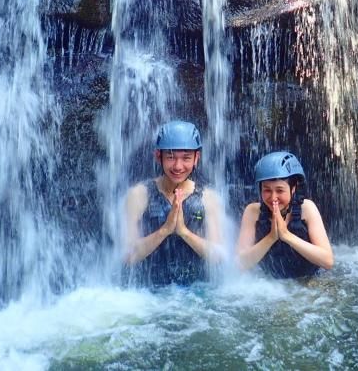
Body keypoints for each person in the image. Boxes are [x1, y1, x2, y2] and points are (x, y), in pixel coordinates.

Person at [122, 120, 222, 286]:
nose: (178, 166)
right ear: (158, 156)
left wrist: (183, 232)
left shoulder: (208, 198)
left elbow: (218, 258)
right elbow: (128, 257)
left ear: (196, 158)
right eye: (170, 157)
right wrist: (165, 230)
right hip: (148, 293)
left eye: (186, 158)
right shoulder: (139, 195)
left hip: (198, 294)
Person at [237, 151, 334, 278]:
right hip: (271, 286)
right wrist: (271, 237)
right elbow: (239, 264)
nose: (273, 197)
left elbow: (328, 261)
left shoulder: (307, 209)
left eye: (280, 190)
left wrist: (286, 235)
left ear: (293, 189)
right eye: (267, 190)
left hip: (309, 282)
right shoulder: (253, 212)